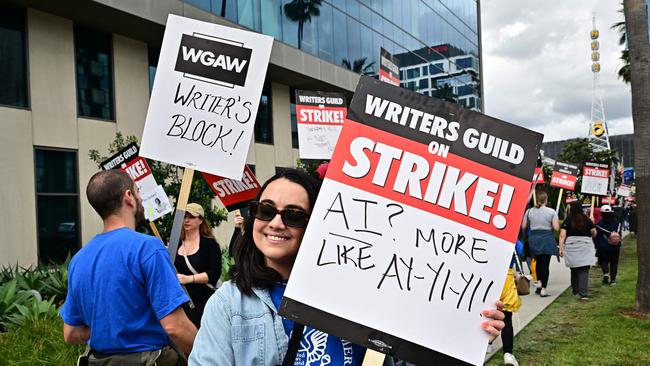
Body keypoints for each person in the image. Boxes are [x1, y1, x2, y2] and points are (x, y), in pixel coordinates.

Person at [189, 168, 505, 365]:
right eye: (266, 210)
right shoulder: (227, 305)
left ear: (316, 225)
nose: (276, 223)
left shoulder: (362, 293)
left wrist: (464, 332)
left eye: (294, 215)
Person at [60, 170, 197, 365]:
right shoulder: (148, 248)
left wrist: (113, 325)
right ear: (129, 197)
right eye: (138, 192)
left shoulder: (78, 260)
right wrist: (211, 354)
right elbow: (175, 327)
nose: (141, 199)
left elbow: (71, 333)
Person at [174, 203, 222, 328]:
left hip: (205, 300)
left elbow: (215, 273)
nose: (186, 220)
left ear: (200, 220)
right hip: (183, 301)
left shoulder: (210, 244)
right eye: (184, 216)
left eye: (191, 217)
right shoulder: (176, 243)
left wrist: (189, 279)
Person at [521, 191, 559, 297]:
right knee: (545, 264)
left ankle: (538, 284)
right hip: (546, 238)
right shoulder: (551, 212)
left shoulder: (529, 211)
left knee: (537, 262)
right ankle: (543, 289)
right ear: (546, 200)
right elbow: (556, 228)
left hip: (534, 238)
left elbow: (523, 226)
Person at [559, 201, 597, 302]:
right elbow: (593, 233)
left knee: (574, 268)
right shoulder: (587, 219)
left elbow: (562, 235)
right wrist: (593, 224)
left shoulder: (568, 220)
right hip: (585, 246)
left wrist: (561, 248)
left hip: (572, 246)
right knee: (584, 270)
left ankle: (575, 290)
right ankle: (583, 294)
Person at [500, 240, 524, 366]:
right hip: (506, 279)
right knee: (506, 318)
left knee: (485, 314)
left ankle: (487, 345)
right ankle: (508, 354)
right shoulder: (511, 235)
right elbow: (521, 251)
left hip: (486, 276)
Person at [595, 205, 622, 285]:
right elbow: (619, 234)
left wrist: (596, 245)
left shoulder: (600, 224)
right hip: (615, 246)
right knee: (614, 262)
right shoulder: (617, 223)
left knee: (604, 261)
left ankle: (606, 274)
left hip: (603, 246)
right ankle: (613, 279)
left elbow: (597, 236)